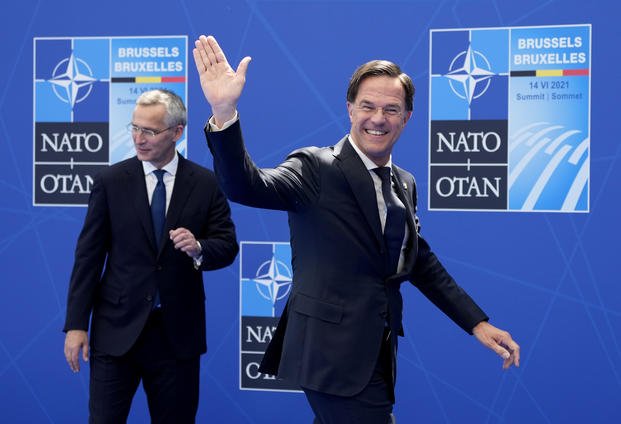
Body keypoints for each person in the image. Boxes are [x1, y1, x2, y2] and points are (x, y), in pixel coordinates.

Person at [193, 35, 520, 424]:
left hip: (377, 353)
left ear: (407, 117)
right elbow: (245, 185)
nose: (378, 118)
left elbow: (418, 262)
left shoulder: (405, 182)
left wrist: (476, 322)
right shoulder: (316, 167)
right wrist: (224, 111)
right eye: (367, 106)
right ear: (349, 109)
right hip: (328, 358)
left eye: (391, 109)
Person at [63, 88, 239, 423]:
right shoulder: (110, 181)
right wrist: (75, 324)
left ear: (177, 132)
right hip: (116, 332)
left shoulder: (205, 183)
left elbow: (228, 245)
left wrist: (200, 247)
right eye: (134, 128)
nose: (139, 138)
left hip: (176, 337)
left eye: (150, 131)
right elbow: (88, 257)